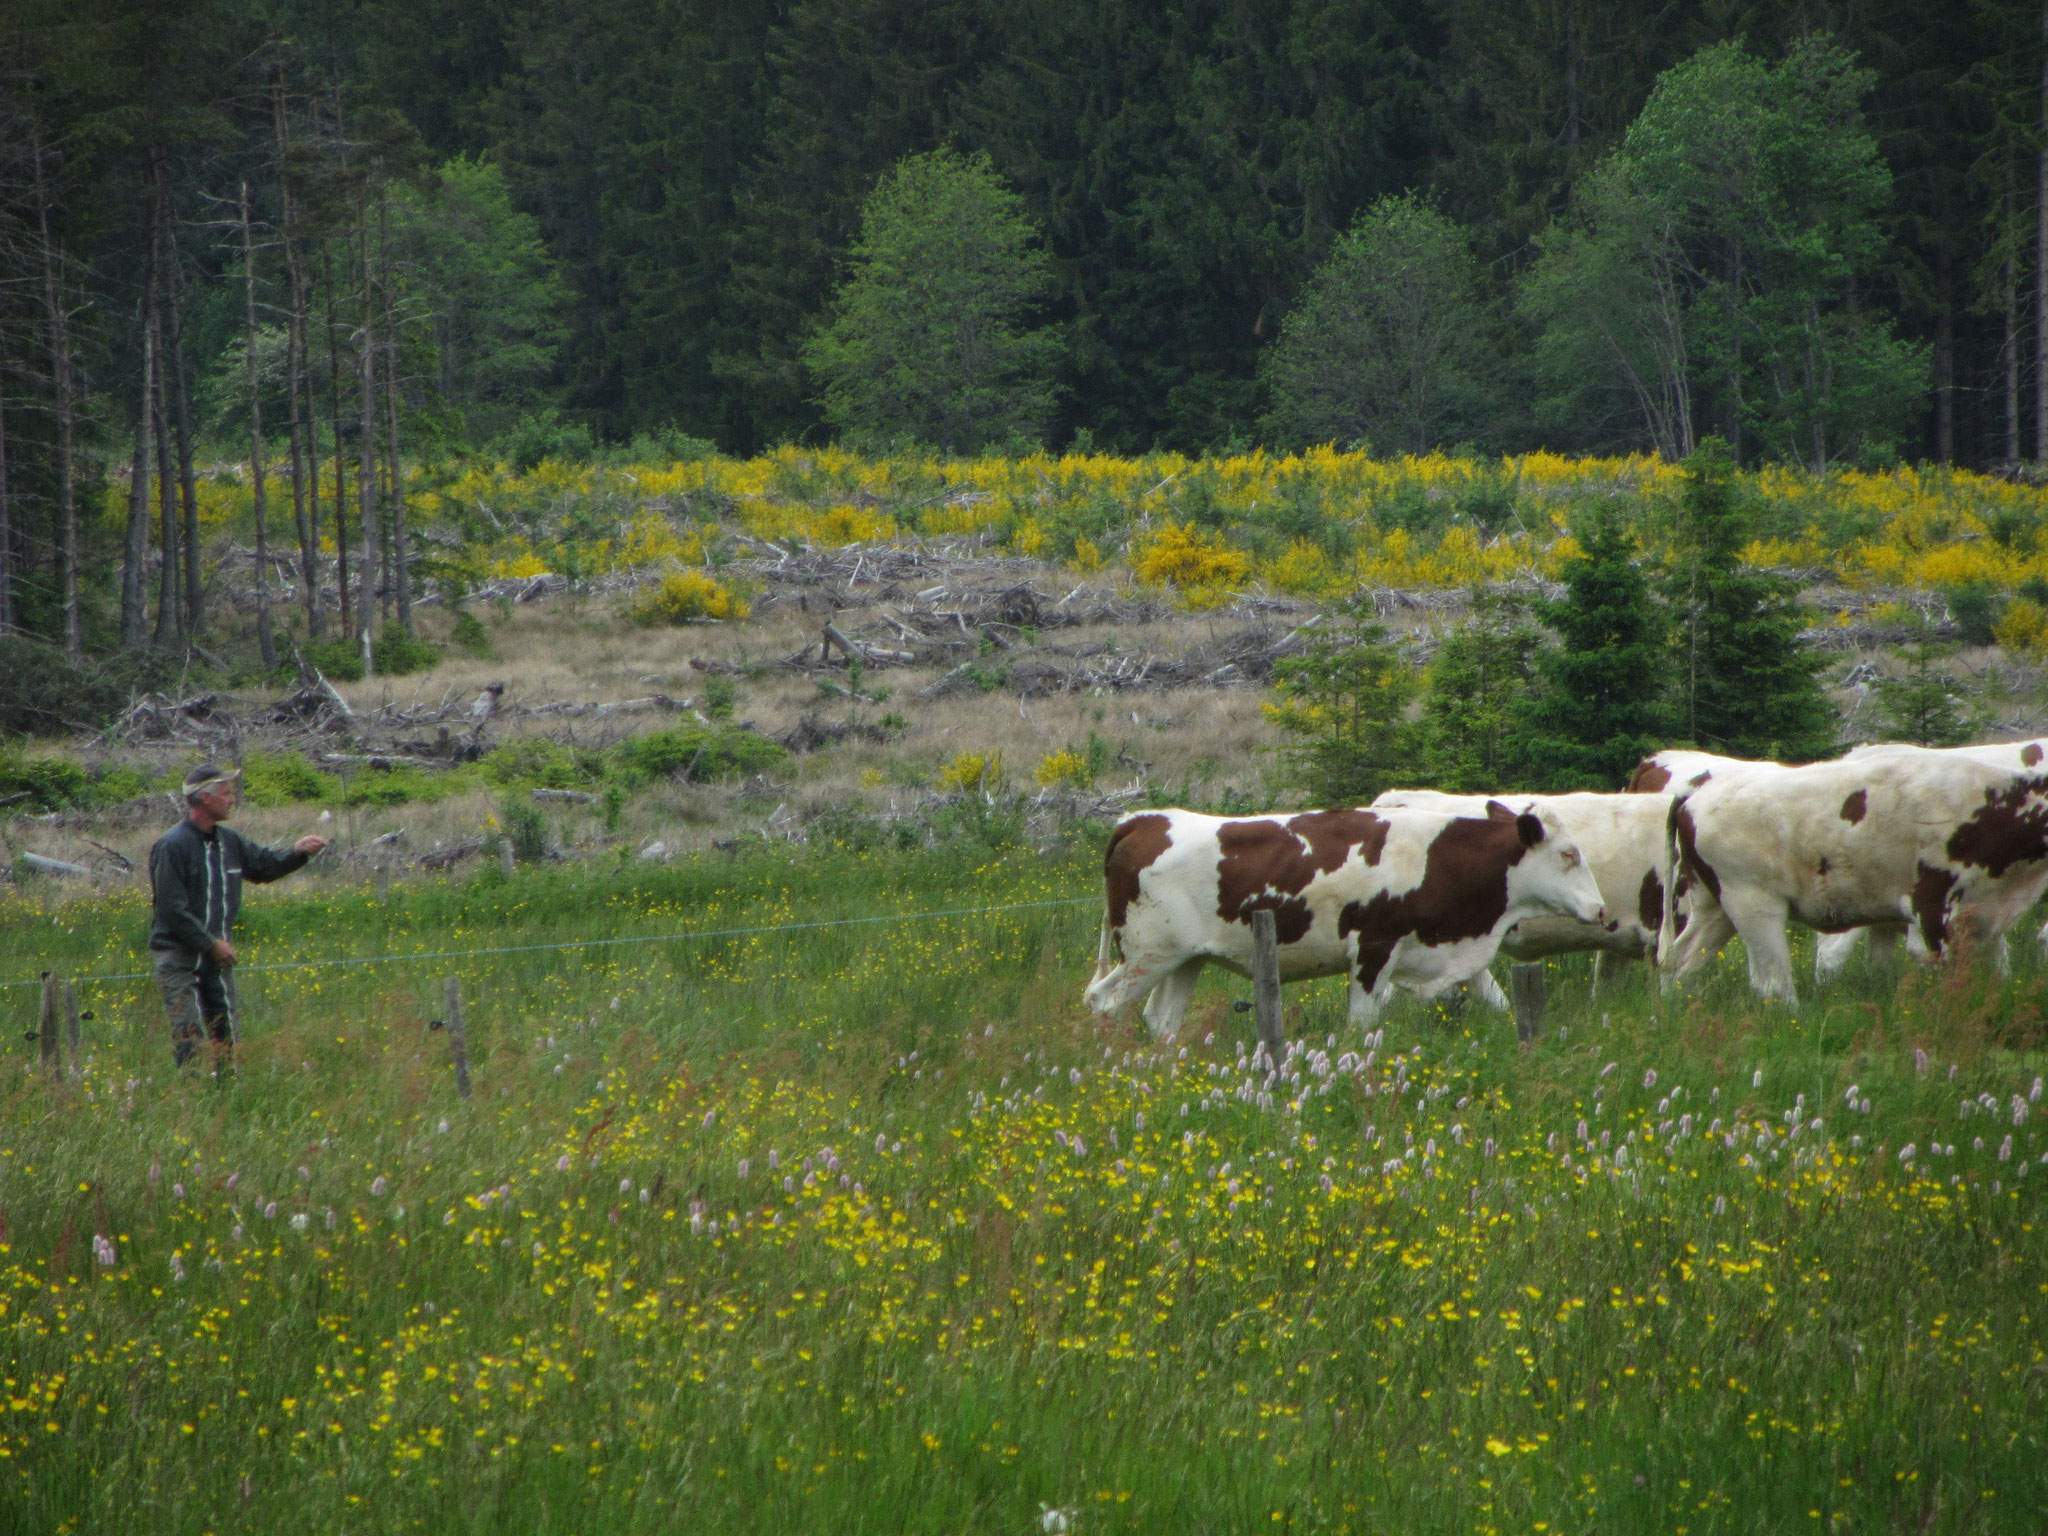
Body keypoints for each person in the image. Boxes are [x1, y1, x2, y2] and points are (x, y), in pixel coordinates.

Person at [149, 764, 329, 1071]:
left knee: (226, 1037)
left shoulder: (228, 841)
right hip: (179, 956)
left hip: (217, 957)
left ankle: (227, 1093)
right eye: (228, 793)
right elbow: (171, 909)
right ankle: (193, 1099)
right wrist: (209, 943)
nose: (233, 800)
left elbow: (263, 866)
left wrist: (298, 853)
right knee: (188, 1036)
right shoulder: (172, 846)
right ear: (206, 798)